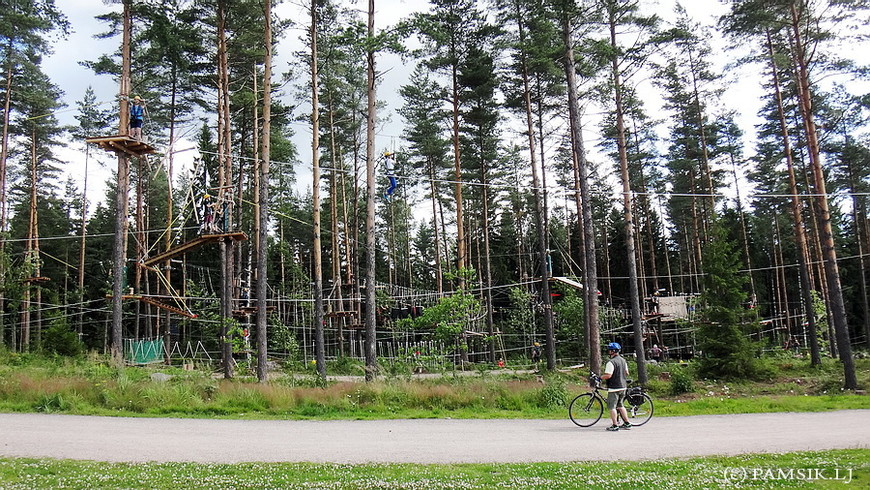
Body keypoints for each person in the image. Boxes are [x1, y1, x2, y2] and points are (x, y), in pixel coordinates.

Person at [600, 342, 632, 431]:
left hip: (614, 387)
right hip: (623, 386)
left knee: (612, 406)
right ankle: (627, 423)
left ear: (613, 351)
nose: (608, 352)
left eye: (609, 350)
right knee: (620, 405)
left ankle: (615, 425)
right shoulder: (623, 360)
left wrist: (600, 378)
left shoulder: (611, 362)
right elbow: (626, 372)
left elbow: (608, 375)